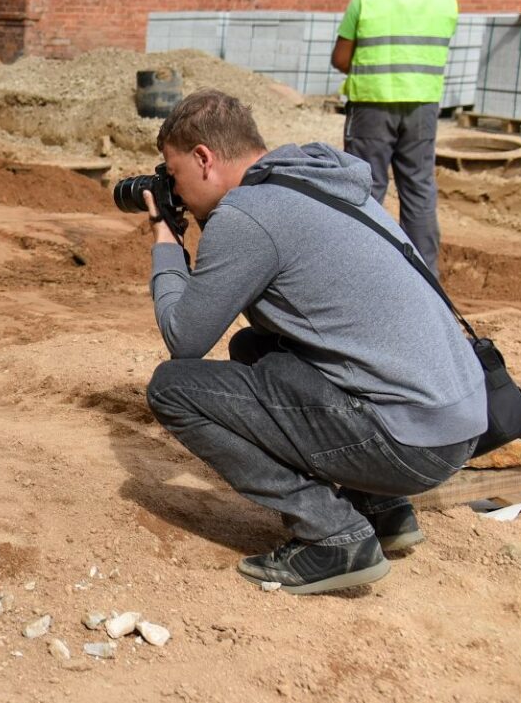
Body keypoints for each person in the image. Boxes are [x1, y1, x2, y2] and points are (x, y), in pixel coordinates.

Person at [141, 89, 485, 595]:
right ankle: (382, 508)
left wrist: (165, 241)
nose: (175, 191)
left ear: (204, 158)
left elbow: (183, 338)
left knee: (173, 388)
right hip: (456, 423)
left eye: (174, 175)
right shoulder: (319, 183)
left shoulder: (250, 214)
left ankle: (334, 535)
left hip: (408, 443)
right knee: (255, 348)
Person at [331, 0, 458, 274]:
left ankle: (366, 272)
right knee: (418, 188)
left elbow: (341, 59)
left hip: (371, 106)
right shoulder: (445, 0)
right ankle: (424, 277)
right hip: (422, 108)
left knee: (366, 187)